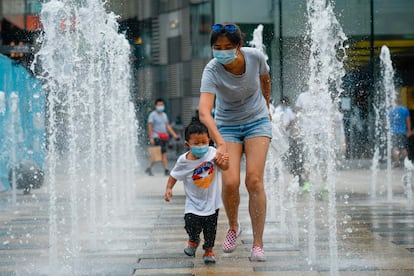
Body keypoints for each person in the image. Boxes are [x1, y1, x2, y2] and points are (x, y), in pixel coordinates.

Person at [198, 23, 272, 261]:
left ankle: (258, 244)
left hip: (257, 122)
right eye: (217, 47)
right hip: (227, 125)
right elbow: (204, 112)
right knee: (230, 183)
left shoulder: (255, 57)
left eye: (228, 47)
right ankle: (233, 226)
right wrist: (218, 142)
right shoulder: (212, 70)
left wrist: (267, 107)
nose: (222, 52)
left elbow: (265, 81)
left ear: (239, 45)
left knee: (254, 180)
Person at [164, 120, 229, 264]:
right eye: (197, 143)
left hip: (212, 203)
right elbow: (174, 174)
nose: (201, 146)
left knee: (210, 230)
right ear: (187, 144)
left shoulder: (212, 153)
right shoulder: (183, 161)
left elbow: (224, 168)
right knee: (190, 222)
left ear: (209, 140)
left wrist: (224, 161)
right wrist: (169, 188)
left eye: (204, 142)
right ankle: (193, 240)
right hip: (193, 203)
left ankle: (208, 251)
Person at [145, 98, 179, 176]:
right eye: (159, 105)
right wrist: (151, 137)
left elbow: (167, 126)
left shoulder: (164, 115)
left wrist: (174, 135)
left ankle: (149, 167)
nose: (160, 106)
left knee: (158, 154)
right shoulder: (152, 115)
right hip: (156, 136)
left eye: (162, 105)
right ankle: (166, 169)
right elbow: (150, 126)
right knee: (163, 153)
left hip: (164, 137)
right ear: (155, 105)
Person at [389, 100, 412, 168]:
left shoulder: (390, 110)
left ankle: (397, 162)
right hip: (402, 132)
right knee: (403, 148)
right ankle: (406, 162)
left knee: (394, 148)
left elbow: (386, 122)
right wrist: (409, 130)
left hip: (393, 132)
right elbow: (408, 121)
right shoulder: (404, 109)